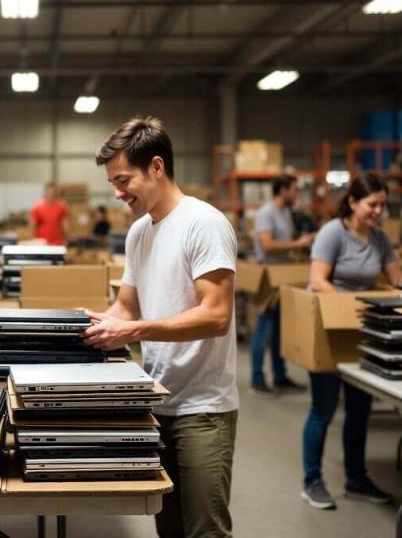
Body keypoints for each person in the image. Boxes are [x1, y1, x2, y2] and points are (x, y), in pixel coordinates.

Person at [82, 116, 238, 538]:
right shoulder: (138, 234)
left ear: (156, 166)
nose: (117, 193)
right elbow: (125, 307)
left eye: (123, 180)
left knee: (204, 530)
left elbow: (216, 316)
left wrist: (131, 332)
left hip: (203, 409)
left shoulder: (203, 224)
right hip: (156, 405)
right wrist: (83, 325)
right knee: (166, 528)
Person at [302, 172, 402, 510]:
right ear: (352, 202)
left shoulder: (379, 238)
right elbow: (318, 281)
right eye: (372, 204)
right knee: (324, 409)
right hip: (330, 327)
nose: (378, 211)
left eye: (382, 205)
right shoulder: (333, 233)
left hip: (363, 331)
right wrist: (346, 308)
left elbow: (397, 279)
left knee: (360, 410)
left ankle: (356, 478)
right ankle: (312, 480)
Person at [249, 175, 313, 397]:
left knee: (279, 331)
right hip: (269, 278)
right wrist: (298, 243)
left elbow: (284, 245)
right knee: (264, 329)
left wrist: (299, 249)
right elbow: (266, 245)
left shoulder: (286, 213)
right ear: (283, 190)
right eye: (294, 190)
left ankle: (280, 376)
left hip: (283, 276)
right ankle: (257, 379)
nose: (296, 194)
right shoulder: (267, 212)